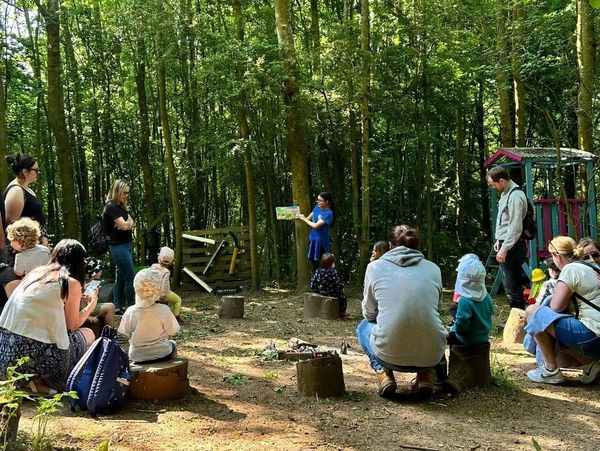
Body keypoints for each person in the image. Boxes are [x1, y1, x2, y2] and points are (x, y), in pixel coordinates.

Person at [356, 225, 447, 399]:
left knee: (362, 327)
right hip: (431, 354)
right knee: (427, 324)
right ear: (417, 246)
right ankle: (425, 377)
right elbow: (436, 309)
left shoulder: (374, 268)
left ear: (390, 246)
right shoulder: (434, 269)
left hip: (389, 353)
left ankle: (384, 374)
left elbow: (368, 313)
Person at [0, 239, 96, 394]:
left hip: (6, 354)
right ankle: (71, 382)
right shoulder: (70, 283)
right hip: (41, 358)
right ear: (80, 262)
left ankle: (31, 382)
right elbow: (72, 325)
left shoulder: (36, 273)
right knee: (89, 334)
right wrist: (92, 304)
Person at [524, 236, 600, 385]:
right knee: (554, 324)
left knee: (534, 312)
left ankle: (550, 370)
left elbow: (556, 307)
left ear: (557, 256)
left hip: (592, 334)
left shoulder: (570, 269)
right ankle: (591, 364)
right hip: (595, 333)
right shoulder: (593, 268)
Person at [486, 166, 528, 310]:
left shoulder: (515, 196)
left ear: (502, 181)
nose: (493, 187)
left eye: (494, 184)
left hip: (513, 246)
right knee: (508, 284)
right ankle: (515, 317)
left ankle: (519, 319)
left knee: (512, 286)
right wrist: (499, 240)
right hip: (506, 242)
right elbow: (504, 221)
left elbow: (515, 226)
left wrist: (505, 248)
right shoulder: (505, 193)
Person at [118, 268, 180, 363]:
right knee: (173, 344)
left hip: (137, 356)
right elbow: (171, 331)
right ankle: (173, 372)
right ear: (158, 290)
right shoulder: (164, 310)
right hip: (162, 353)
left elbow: (125, 332)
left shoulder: (130, 311)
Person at [102, 179, 135, 314]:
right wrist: (127, 223)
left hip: (126, 245)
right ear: (117, 191)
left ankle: (117, 305)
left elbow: (130, 223)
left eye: (127, 193)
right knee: (130, 276)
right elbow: (124, 225)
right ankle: (133, 307)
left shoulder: (120, 208)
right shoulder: (111, 207)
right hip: (118, 247)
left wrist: (128, 223)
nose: (126, 196)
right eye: (124, 193)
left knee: (120, 277)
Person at [447, 254, 493, 347]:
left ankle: (442, 362)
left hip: (467, 339)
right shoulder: (487, 297)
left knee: (438, 338)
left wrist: (452, 329)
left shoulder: (465, 301)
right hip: (483, 337)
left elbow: (461, 327)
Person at [3, 154, 47, 246]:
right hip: (25, 248)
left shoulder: (27, 189)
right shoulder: (16, 191)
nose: (38, 173)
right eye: (36, 170)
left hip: (35, 245)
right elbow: (12, 226)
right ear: (25, 171)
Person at [297, 192, 334, 269]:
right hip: (313, 239)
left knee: (323, 265)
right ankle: (315, 280)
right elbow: (307, 219)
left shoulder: (329, 213)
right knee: (314, 265)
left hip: (322, 243)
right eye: (317, 200)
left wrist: (304, 219)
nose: (318, 202)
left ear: (326, 202)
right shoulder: (317, 207)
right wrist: (296, 217)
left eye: (320, 200)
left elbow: (316, 225)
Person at [151, 246, 184, 324]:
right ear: (171, 261)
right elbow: (165, 285)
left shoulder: (153, 267)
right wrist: (163, 296)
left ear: (158, 256)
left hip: (152, 292)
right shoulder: (166, 271)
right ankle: (176, 317)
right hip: (162, 293)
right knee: (177, 300)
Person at [310, 253, 348, 318]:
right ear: (331, 264)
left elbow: (313, 283)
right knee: (342, 297)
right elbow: (338, 284)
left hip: (321, 292)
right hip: (332, 293)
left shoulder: (318, 271)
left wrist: (316, 290)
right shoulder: (333, 272)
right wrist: (342, 287)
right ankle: (342, 312)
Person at [83, 257, 116, 328]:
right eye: (99, 270)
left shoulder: (89, 282)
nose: (101, 271)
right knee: (111, 307)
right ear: (94, 273)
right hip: (85, 307)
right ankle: (110, 333)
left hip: (88, 306)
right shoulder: (88, 284)